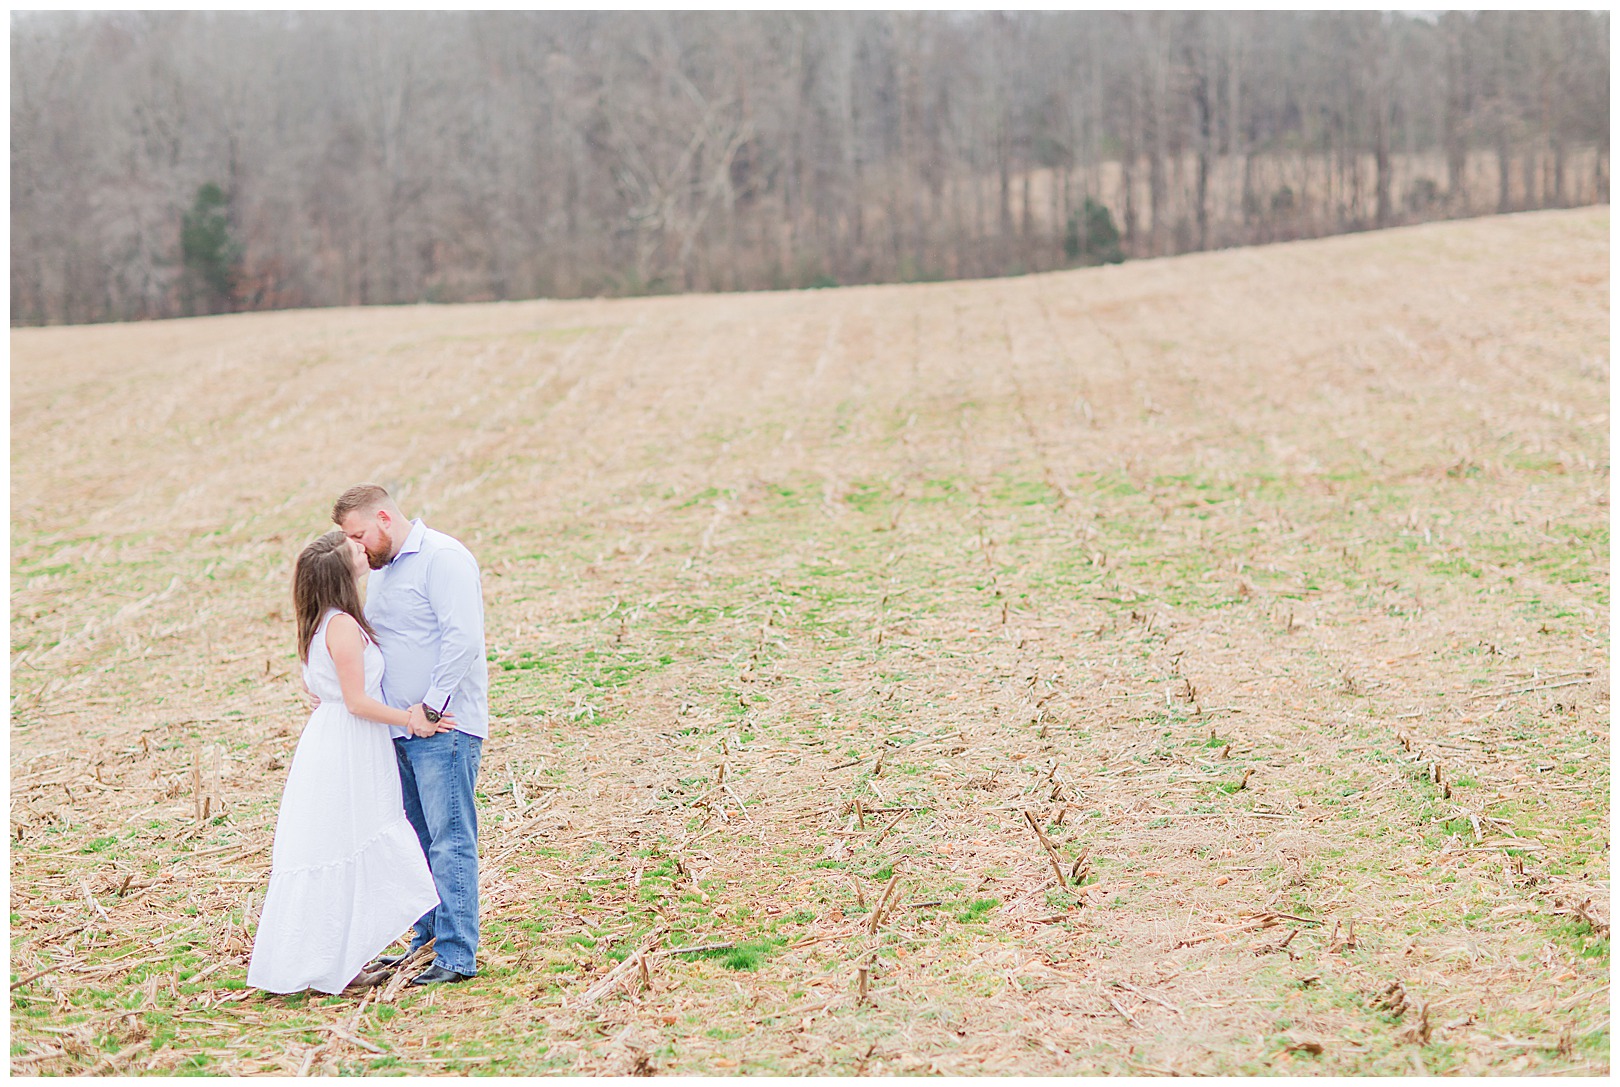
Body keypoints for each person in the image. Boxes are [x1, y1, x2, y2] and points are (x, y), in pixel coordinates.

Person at [247, 531, 446, 995]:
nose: (363, 549)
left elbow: (327, 689)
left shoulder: (322, 621)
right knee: (343, 842)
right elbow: (356, 701)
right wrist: (412, 719)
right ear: (341, 573)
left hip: (340, 739)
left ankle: (342, 959)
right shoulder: (340, 625)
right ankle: (328, 961)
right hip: (348, 742)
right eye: (354, 550)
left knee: (344, 841)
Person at [332, 484, 489, 987]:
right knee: (415, 842)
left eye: (359, 535)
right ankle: (427, 940)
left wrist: (430, 706)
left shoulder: (443, 558)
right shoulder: (383, 572)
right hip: (398, 731)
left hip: (443, 727)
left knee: (449, 841)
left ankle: (457, 955)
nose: (356, 547)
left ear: (383, 517)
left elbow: (462, 638)